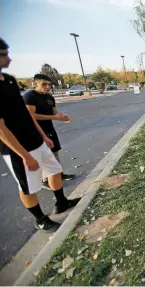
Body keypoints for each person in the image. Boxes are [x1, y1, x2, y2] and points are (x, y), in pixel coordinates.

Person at [0, 38, 80, 232]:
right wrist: (25, 156)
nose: (9, 58)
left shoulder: (9, 81)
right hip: (17, 148)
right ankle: (40, 218)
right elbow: (1, 128)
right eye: (4, 54)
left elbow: (25, 115)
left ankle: (61, 202)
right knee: (28, 185)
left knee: (54, 169)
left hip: (36, 140)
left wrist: (42, 136)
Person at [24, 74, 76, 190]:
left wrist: (61, 116)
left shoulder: (49, 97)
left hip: (49, 128)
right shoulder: (30, 96)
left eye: (49, 84)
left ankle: (58, 174)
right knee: (42, 154)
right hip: (35, 130)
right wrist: (53, 117)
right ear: (35, 84)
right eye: (44, 84)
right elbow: (30, 116)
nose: (47, 87)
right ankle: (45, 179)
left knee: (54, 150)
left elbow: (53, 114)